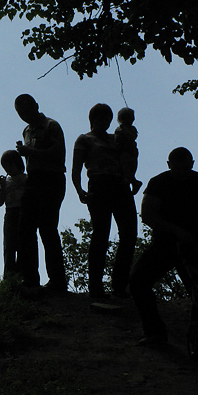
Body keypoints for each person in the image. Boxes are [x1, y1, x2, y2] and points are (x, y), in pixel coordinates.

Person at [129, 147, 198, 346]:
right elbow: (147, 214)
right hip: (163, 245)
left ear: (192, 164)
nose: (182, 172)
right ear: (169, 165)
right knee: (138, 282)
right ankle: (156, 333)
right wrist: (176, 231)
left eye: (185, 168)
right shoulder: (159, 182)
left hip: (191, 246)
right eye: (177, 168)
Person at [71, 104, 138, 298]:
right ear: (93, 119)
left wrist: (131, 177)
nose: (105, 122)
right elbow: (76, 168)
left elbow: (128, 157)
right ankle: (96, 286)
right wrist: (79, 189)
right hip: (99, 185)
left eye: (108, 119)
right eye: (101, 118)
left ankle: (119, 285)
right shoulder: (84, 139)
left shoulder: (115, 138)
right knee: (101, 234)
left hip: (120, 185)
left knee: (129, 234)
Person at [13, 94, 67, 292]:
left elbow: (58, 153)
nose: (24, 115)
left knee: (47, 228)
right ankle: (29, 280)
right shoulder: (26, 131)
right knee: (25, 229)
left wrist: (30, 152)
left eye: (26, 110)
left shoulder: (51, 125)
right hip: (34, 180)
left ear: (36, 106)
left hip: (52, 179)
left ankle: (57, 281)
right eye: (20, 113)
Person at [0, 150, 27, 280]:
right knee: (9, 246)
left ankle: (22, 276)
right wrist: (2, 188)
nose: (8, 169)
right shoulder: (6, 183)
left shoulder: (26, 178)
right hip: (10, 214)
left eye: (10, 166)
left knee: (22, 246)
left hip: (23, 213)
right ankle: (9, 277)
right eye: (5, 167)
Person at [114, 107, 142, 194]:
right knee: (124, 166)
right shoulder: (119, 129)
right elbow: (116, 139)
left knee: (129, 166)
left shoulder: (131, 129)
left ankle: (131, 180)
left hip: (129, 151)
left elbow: (132, 137)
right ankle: (132, 181)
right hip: (123, 151)